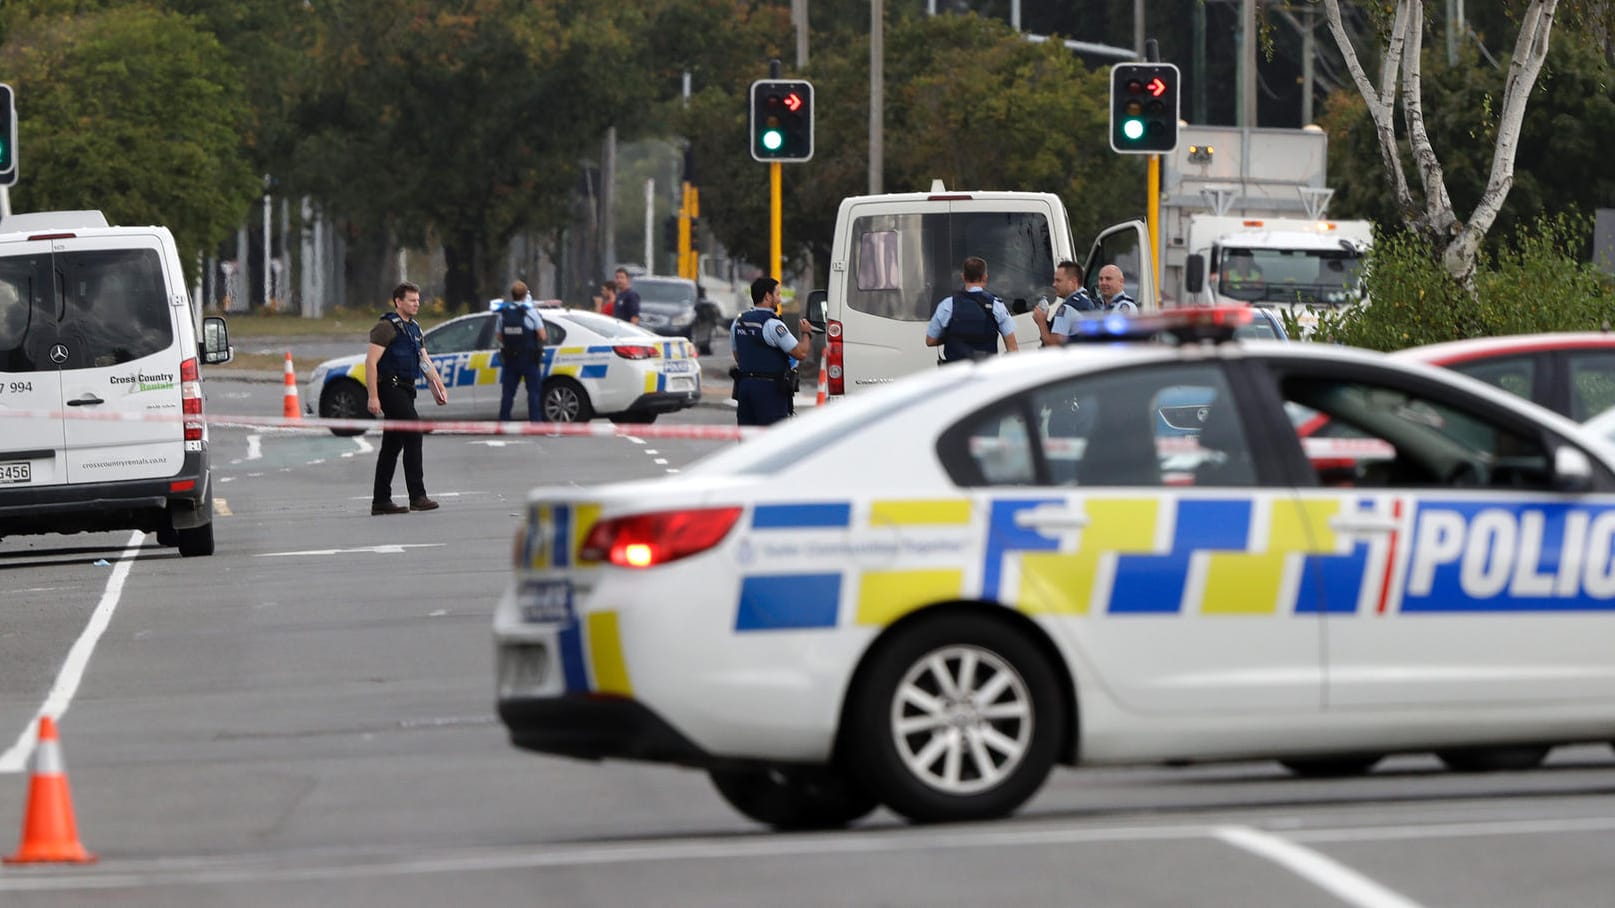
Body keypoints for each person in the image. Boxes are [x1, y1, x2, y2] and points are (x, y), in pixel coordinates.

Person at [366, 281, 448, 515]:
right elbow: (371, 362)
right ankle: (417, 496)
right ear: (398, 302)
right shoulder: (386, 327)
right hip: (390, 388)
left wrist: (438, 386)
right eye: (411, 301)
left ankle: (380, 500)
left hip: (406, 389)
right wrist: (373, 396)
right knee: (414, 432)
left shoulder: (414, 328)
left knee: (391, 446)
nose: (416, 304)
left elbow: (424, 360)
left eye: (418, 301)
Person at [730, 276, 812, 427]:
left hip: (745, 388)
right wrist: (806, 333)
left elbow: (737, 356)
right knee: (772, 439)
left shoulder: (738, 322)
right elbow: (800, 353)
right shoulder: (773, 324)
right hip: (769, 391)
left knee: (747, 438)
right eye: (778, 294)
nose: (779, 300)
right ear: (767, 296)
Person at [925, 256, 1019, 364]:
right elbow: (1013, 348)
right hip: (986, 373)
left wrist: (950, 337)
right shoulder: (996, 305)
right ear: (985, 277)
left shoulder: (947, 305)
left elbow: (930, 341)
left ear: (963, 277)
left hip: (956, 374)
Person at [497, 280, 548, 422]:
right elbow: (543, 335)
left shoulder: (504, 313)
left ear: (512, 295)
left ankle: (504, 421)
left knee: (508, 393)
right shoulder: (531, 312)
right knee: (533, 392)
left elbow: (499, 336)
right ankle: (535, 423)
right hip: (529, 359)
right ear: (525, 295)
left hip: (511, 359)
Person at [1032, 260, 1095, 347]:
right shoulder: (1087, 301)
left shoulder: (1067, 308)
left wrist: (1041, 322)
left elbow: (1053, 346)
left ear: (1073, 282)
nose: (1054, 284)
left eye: (1058, 281)